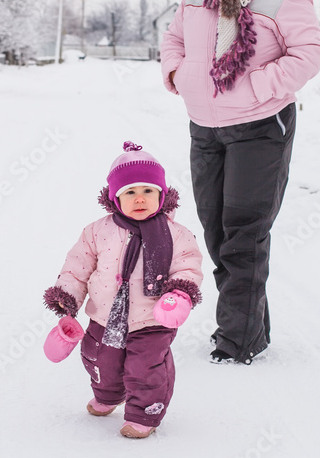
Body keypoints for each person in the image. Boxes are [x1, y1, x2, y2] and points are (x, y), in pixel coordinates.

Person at [160, 0, 320, 365]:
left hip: (260, 128)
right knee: (217, 236)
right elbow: (173, 39)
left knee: (244, 237)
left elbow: (308, 54)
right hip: (205, 128)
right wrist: (178, 73)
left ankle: (236, 341)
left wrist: (257, 86)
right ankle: (252, 328)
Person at [42, 142, 203, 438]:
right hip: (104, 317)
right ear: (115, 197)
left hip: (152, 320)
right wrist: (67, 297)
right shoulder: (96, 231)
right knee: (99, 359)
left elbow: (187, 267)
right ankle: (109, 394)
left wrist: (178, 294)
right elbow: (77, 266)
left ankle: (144, 413)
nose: (139, 199)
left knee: (146, 369)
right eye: (130, 192)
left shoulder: (176, 234)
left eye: (147, 191)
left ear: (162, 195)